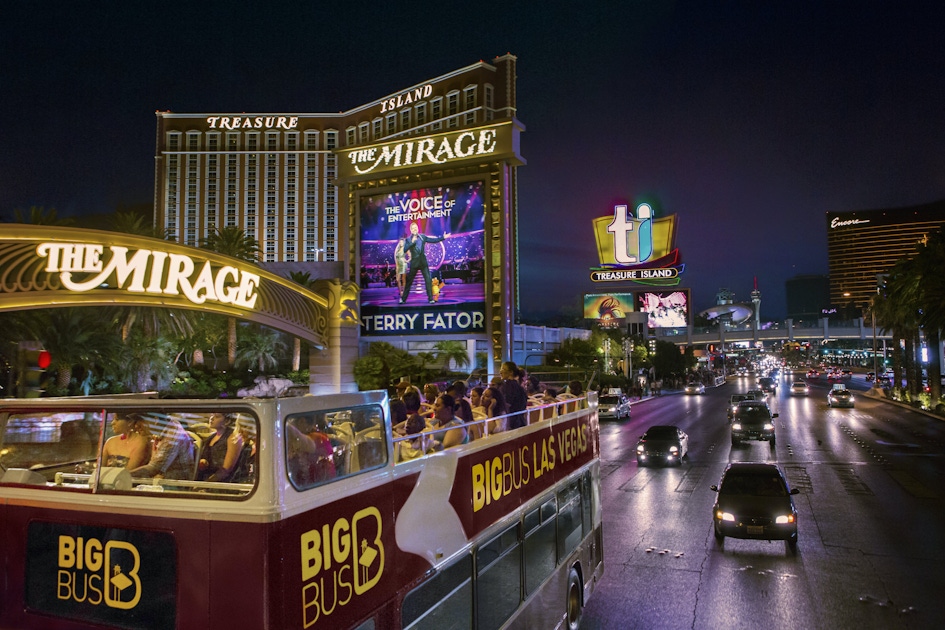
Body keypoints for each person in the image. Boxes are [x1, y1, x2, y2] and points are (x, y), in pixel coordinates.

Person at [399, 221, 450, 304]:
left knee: (428, 280)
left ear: (417, 229)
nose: (415, 229)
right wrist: (412, 242)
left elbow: (433, 240)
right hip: (414, 263)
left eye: (416, 228)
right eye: (413, 228)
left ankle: (430, 299)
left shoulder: (422, 237)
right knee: (409, 282)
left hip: (423, 262)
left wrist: (442, 237)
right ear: (411, 230)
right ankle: (403, 299)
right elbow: (405, 249)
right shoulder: (408, 240)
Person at [131, 415, 195, 480]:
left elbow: (154, 468)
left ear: (155, 420)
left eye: (140, 420)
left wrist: (124, 475)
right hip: (161, 482)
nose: (136, 426)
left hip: (175, 486)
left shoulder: (173, 434)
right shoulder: (161, 431)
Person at [196, 413, 243, 482]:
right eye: (212, 415)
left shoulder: (232, 438)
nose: (211, 418)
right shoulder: (211, 438)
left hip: (222, 483)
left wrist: (205, 484)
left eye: (217, 416)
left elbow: (226, 470)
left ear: (227, 421)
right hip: (205, 479)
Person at [499, 361, 528, 429]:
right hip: (520, 421)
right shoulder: (519, 387)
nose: (500, 372)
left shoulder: (507, 386)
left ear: (511, 372)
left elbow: (507, 404)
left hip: (511, 423)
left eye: (503, 369)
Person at [230, 416, 257, 485]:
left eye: (244, 426)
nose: (240, 431)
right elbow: (237, 478)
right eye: (239, 427)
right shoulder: (246, 449)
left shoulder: (266, 452)